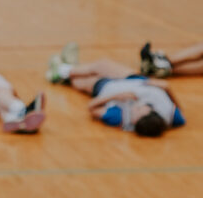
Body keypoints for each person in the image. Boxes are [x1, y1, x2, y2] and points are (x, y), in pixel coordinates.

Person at [48, 53, 185, 137]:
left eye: (134, 115)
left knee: (80, 81)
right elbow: (179, 111)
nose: (134, 110)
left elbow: (91, 108)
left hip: (108, 89)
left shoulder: (121, 117)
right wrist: (166, 89)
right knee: (102, 65)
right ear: (151, 112)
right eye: (138, 111)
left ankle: (62, 72)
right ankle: (67, 67)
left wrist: (116, 97)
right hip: (133, 80)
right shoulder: (169, 115)